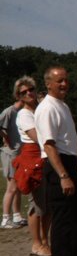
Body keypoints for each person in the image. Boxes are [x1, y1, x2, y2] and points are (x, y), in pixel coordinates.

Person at [34, 67, 77, 256]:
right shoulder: (47, 108)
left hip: (69, 161)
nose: (64, 84)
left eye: (66, 80)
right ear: (48, 84)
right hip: (57, 166)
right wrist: (63, 175)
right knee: (64, 217)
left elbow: (68, 142)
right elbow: (49, 146)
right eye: (59, 81)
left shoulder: (63, 106)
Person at [14, 77, 51, 256]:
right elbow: (39, 138)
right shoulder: (24, 115)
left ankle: (46, 241)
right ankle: (37, 244)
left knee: (47, 204)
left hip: (44, 156)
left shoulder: (39, 110)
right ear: (18, 96)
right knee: (37, 205)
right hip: (33, 158)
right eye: (23, 92)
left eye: (31, 89)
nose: (28, 93)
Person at [1, 93, 26, 230]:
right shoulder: (9, 111)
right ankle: (5, 219)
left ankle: (17, 216)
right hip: (11, 154)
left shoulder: (21, 112)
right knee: (11, 187)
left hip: (19, 154)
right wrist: (7, 139)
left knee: (18, 187)